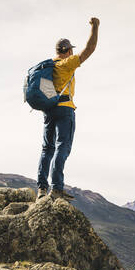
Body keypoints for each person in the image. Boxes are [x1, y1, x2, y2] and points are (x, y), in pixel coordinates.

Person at [37, 17, 100, 201]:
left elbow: (47, 92)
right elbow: (89, 49)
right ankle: (56, 189)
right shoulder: (66, 64)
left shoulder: (47, 66)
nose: (73, 52)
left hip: (49, 110)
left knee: (46, 148)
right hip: (65, 109)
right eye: (71, 50)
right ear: (67, 51)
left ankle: (41, 189)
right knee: (62, 147)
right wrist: (95, 27)